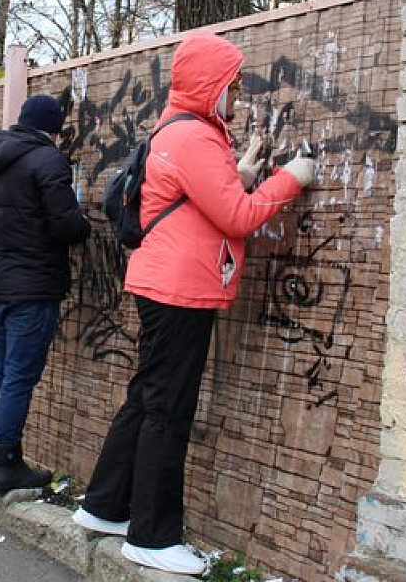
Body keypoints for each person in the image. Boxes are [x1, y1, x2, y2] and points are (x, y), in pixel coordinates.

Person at [71, 33, 316, 575]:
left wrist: (242, 173)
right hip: (180, 289)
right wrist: (290, 180)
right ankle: (152, 537)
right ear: (210, 84)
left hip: (164, 284)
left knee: (146, 398)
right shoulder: (195, 137)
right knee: (167, 409)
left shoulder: (177, 130)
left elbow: (200, 197)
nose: (237, 95)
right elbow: (237, 216)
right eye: (232, 85)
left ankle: (105, 506)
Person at [0, 94, 91, 494]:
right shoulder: (47, 159)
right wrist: (84, 223)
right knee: (19, 375)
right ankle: (5, 461)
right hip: (33, 285)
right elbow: (65, 225)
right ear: (53, 128)